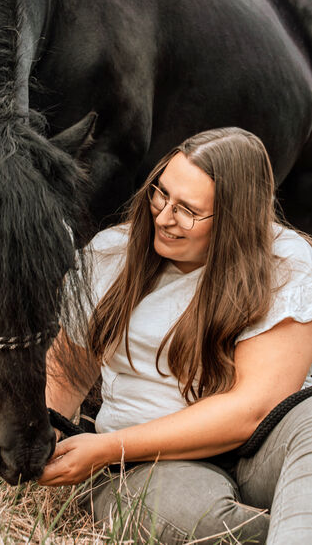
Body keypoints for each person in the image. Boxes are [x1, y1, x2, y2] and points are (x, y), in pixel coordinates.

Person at [39, 127, 312, 544]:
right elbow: (69, 370)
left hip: (255, 448)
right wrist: (47, 435)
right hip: (144, 458)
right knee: (210, 525)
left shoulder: (286, 263)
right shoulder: (110, 254)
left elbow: (253, 410)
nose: (164, 217)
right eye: (160, 193)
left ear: (236, 220)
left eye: (188, 210)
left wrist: (105, 447)